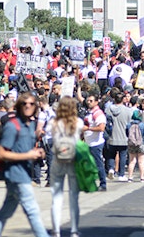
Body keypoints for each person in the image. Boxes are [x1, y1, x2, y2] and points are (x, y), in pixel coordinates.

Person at [0, 93, 49, 237]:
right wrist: (28, 155)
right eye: (24, 104)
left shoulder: (30, 126)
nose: (28, 106)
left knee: (7, 210)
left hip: (24, 174)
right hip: (16, 174)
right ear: (18, 107)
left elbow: (23, 148)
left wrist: (37, 152)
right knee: (32, 210)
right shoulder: (12, 126)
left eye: (31, 104)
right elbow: (2, 153)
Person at [50, 96, 84, 237]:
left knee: (56, 197)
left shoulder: (54, 123)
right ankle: (74, 229)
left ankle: (56, 230)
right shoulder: (79, 122)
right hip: (73, 159)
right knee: (74, 197)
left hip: (58, 158)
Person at [82, 93, 108, 191]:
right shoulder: (90, 112)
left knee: (98, 164)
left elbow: (101, 128)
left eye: (91, 101)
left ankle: (103, 184)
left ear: (96, 102)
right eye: (88, 100)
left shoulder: (98, 113)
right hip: (88, 142)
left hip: (95, 143)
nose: (89, 102)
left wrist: (88, 128)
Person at [126, 109, 144, 182]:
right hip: (141, 144)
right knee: (141, 161)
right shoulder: (143, 125)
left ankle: (130, 177)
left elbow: (127, 134)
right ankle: (142, 177)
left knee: (131, 161)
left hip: (131, 144)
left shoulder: (129, 124)